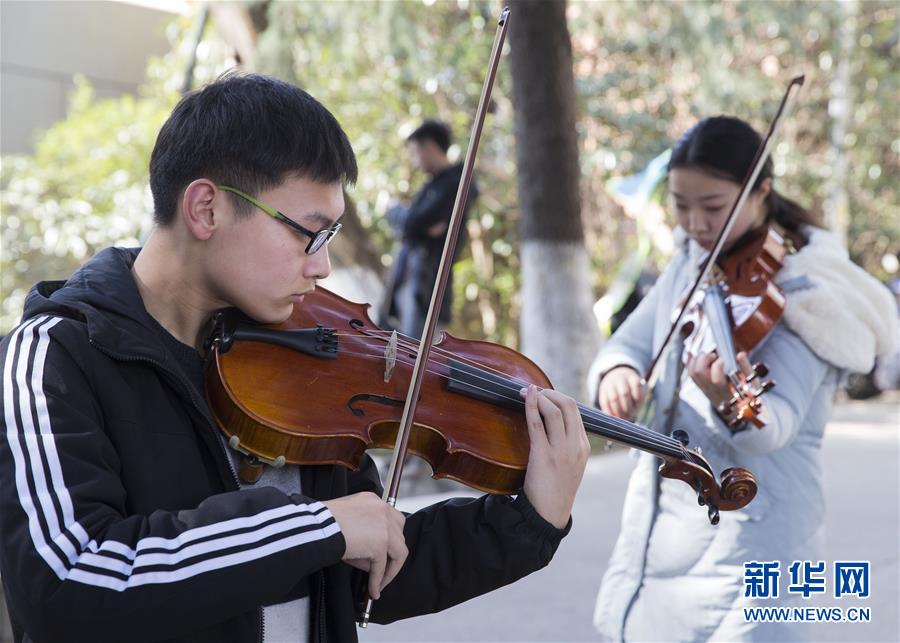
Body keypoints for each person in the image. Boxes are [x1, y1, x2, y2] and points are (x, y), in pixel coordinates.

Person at [0, 72, 591, 643]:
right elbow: (68, 586)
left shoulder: (299, 358)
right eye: (308, 233)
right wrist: (318, 526)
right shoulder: (54, 358)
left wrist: (530, 521)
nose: (323, 266)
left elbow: (364, 574)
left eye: (330, 237)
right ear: (205, 209)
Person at [589, 116, 897, 642]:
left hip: (758, 551)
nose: (694, 224)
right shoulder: (692, 262)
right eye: (681, 205)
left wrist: (722, 397)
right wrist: (616, 370)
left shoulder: (805, 297)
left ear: (761, 193)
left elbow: (771, 427)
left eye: (712, 207)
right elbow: (631, 341)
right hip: (664, 539)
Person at [377, 119, 478, 338]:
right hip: (408, 280)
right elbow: (417, 225)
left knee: (416, 355)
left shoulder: (455, 184)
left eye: (415, 152)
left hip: (427, 286)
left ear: (430, 147)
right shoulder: (432, 185)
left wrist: (394, 210)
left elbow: (414, 224)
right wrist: (413, 224)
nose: (414, 161)